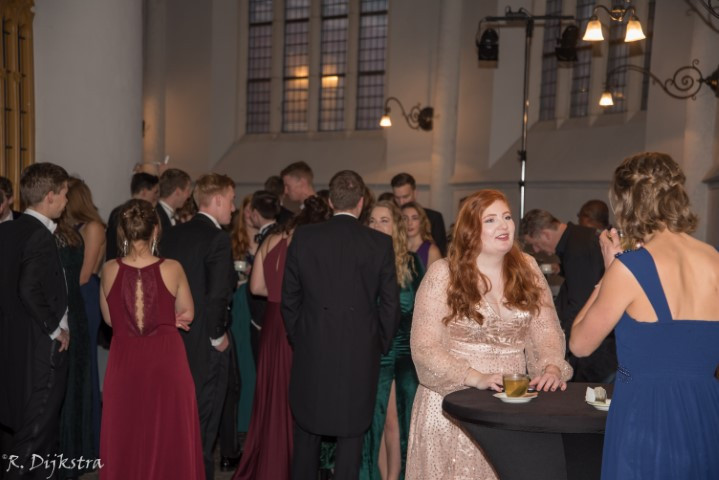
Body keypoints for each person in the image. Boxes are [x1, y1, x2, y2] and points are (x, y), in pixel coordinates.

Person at [570, 152, 719, 480]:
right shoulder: (714, 259)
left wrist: (608, 272)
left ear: (627, 203)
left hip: (646, 417)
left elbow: (580, 344)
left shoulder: (629, 268)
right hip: (706, 413)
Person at [405, 189, 572, 480]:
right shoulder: (444, 274)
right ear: (470, 230)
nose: (504, 225)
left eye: (507, 217)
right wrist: (475, 377)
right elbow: (424, 348)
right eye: (491, 220)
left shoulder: (528, 269)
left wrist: (551, 367)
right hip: (452, 405)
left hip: (511, 405)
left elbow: (547, 332)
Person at [282, 170, 400, 480]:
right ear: (361, 203)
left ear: (331, 202)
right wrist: (379, 344)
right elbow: (390, 305)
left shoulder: (304, 237)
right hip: (359, 352)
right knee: (351, 438)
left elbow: (289, 297)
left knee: (307, 433)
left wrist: (299, 336)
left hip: (312, 348)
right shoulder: (379, 243)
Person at [98, 199, 203, 479]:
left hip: (125, 361)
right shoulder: (173, 267)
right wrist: (166, 318)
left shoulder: (108, 269)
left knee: (127, 431)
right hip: (167, 359)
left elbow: (110, 319)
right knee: (170, 431)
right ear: (155, 230)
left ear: (122, 232)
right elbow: (188, 313)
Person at [234, 195, 332, 480]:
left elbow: (256, 288)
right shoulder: (310, 243)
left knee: (270, 391)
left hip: (271, 323)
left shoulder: (272, 239)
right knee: (295, 393)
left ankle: (267, 458)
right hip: (296, 321)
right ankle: (289, 462)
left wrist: (277, 293)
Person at [161, 173, 237, 480]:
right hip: (205, 340)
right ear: (217, 200)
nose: (233, 208)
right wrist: (218, 337)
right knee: (204, 423)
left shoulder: (171, 234)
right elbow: (218, 295)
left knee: (177, 419)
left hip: (173, 337)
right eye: (231, 200)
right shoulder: (217, 238)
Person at [0, 163, 70, 480]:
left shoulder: (7, 229)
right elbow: (28, 289)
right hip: (40, 345)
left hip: (13, 342)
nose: (67, 201)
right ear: (50, 196)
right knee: (37, 431)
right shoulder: (39, 234)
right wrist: (56, 330)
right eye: (65, 194)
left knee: (26, 426)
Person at [362, 201, 424, 480]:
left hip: (403, 353)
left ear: (396, 226)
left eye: (384, 220)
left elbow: (422, 308)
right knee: (376, 423)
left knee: (396, 421)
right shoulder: (361, 261)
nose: (377, 226)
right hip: (373, 352)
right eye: (372, 221)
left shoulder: (411, 262)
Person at [520, 209, 616, 383]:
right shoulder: (579, 237)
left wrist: (563, 346)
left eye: (535, 244)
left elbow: (579, 302)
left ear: (546, 234)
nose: (535, 249)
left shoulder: (577, 250)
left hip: (596, 351)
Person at [53, 184, 96, 479]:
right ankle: (72, 452)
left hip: (75, 308)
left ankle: (74, 453)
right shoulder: (64, 233)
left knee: (75, 381)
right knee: (69, 383)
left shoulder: (71, 234)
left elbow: (81, 275)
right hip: (71, 309)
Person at [63, 177, 105, 453]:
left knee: (85, 365)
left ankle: (87, 441)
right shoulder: (66, 228)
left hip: (84, 296)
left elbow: (84, 274)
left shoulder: (93, 227)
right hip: (70, 296)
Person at [105, 172, 159, 261]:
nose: (156, 197)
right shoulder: (150, 214)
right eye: (155, 192)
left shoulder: (116, 212)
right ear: (144, 192)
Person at [390, 173, 447, 256]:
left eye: (405, 197)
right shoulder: (391, 217)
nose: (401, 202)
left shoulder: (434, 218)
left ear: (415, 193)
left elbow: (441, 253)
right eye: (397, 198)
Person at [400, 202, 441, 270]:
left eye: (414, 218)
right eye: (405, 218)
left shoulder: (432, 251)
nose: (409, 223)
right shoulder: (396, 247)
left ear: (422, 222)